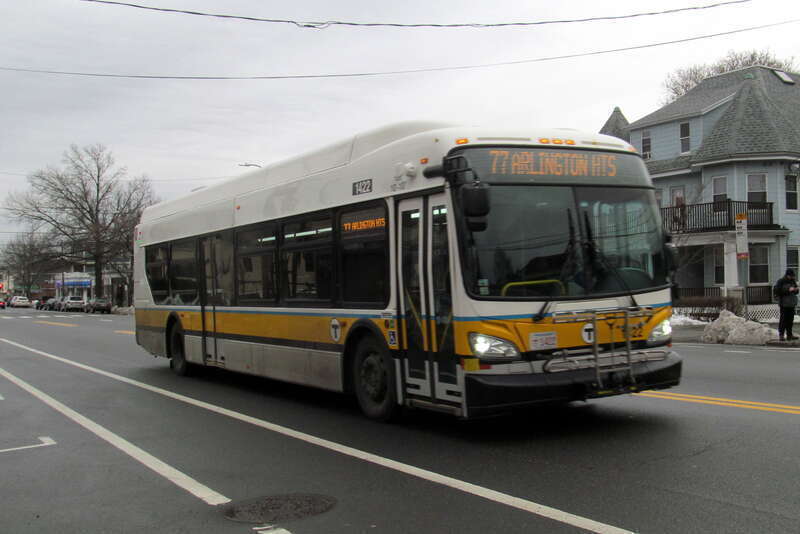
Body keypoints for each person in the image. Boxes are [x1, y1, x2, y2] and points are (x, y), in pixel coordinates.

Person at [774, 268, 799, 341]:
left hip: (791, 304)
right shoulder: (781, 281)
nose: (793, 277)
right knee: (783, 320)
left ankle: (789, 335)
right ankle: (781, 335)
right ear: (788, 275)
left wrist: (796, 290)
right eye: (791, 276)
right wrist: (788, 290)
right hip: (784, 304)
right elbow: (777, 291)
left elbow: (795, 292)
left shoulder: (792, 281)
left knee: (790, 320)